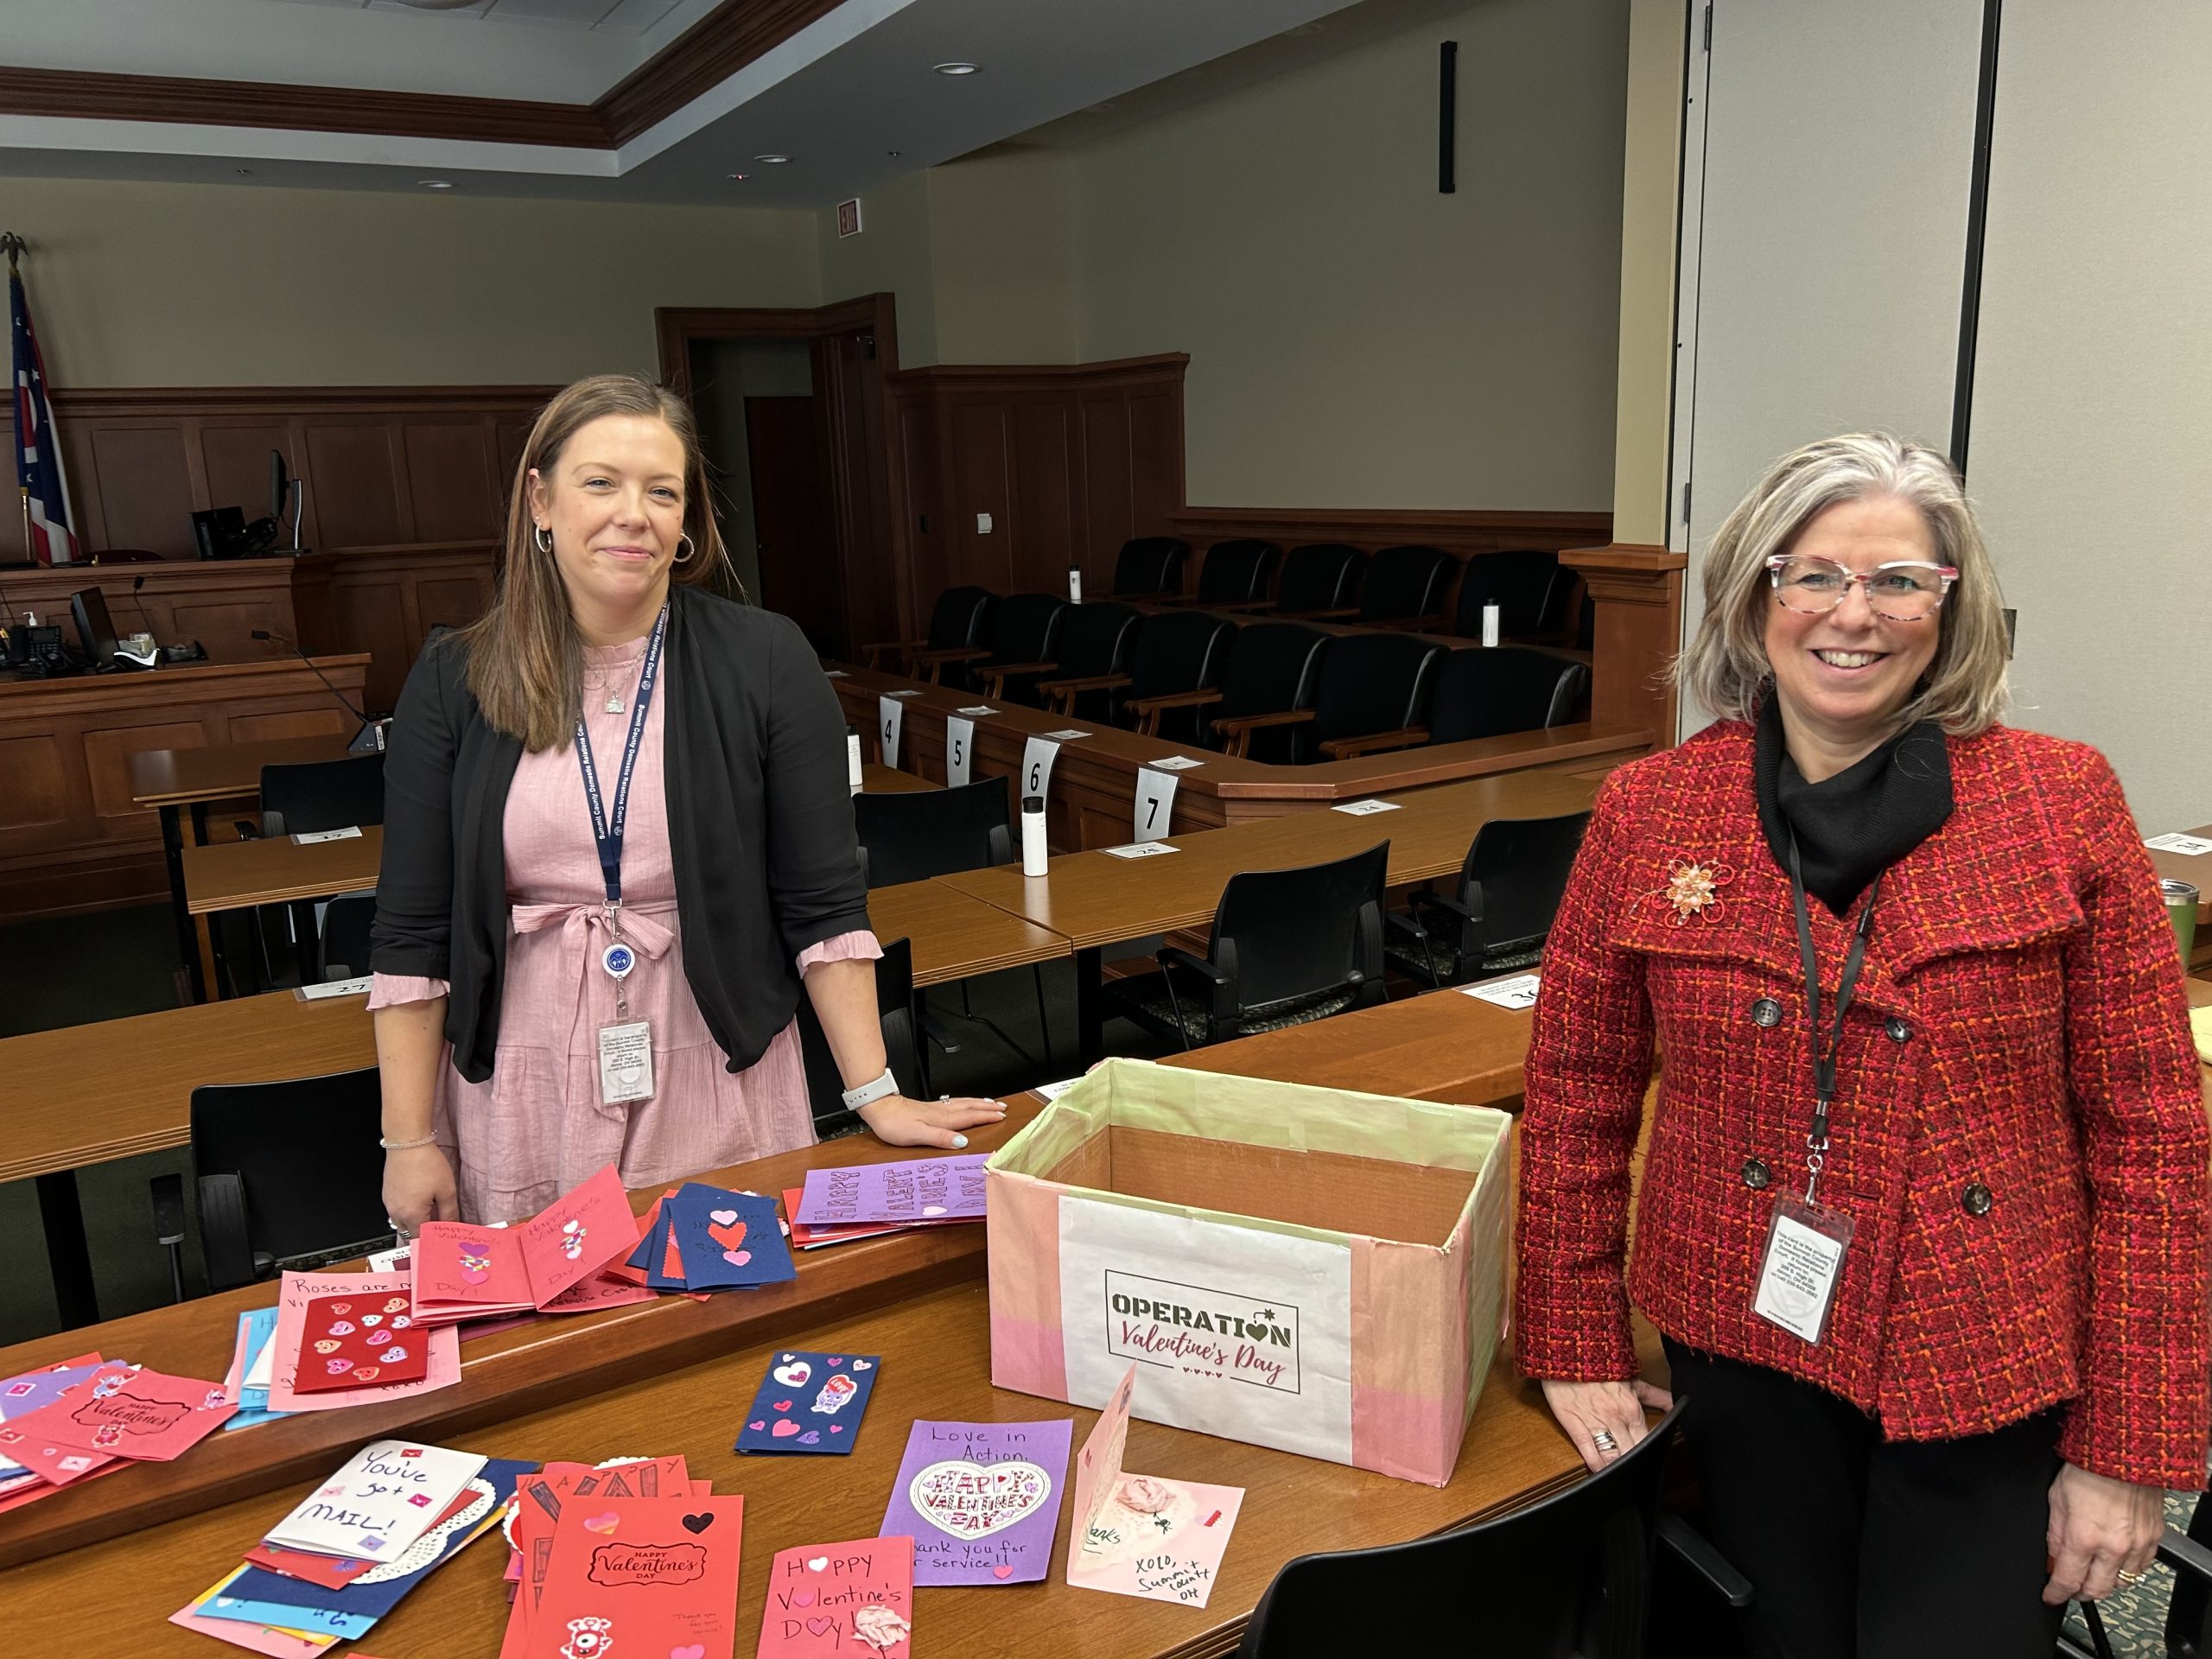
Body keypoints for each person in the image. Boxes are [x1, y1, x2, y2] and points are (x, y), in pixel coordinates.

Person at [1516, 433, 2209, 1656]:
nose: (1856, 615)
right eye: (1815, 575)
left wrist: (2129, 1449)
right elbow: (1577, 1093)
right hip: (1742, 1342)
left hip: (1990, 1358)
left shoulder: (2063, 802)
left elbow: (2154, 1141)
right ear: (1755, 594)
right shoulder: (1650, 810)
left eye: (1901, 581)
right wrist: (1573, 1344)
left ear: (1952, 608)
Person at [370, 373, 1003, 1230]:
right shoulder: (455, 676)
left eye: (661, 491)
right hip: (525, 1070)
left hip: (715, 1052)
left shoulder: (767, 659)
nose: (634, 512)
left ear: (685, 521)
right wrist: (408, 1140)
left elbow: (821, 902)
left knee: (728, 1302)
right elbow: (412, 929)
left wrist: (877, 1093)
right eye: (600, 482)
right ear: (540, 500)